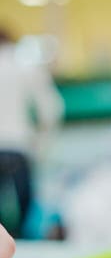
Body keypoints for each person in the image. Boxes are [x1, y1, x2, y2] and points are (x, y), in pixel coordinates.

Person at [0, 28, 64, 237]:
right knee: (25, 220)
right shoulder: (23, 67)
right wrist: (41, 143)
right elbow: (51, 109)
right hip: (19, 149)